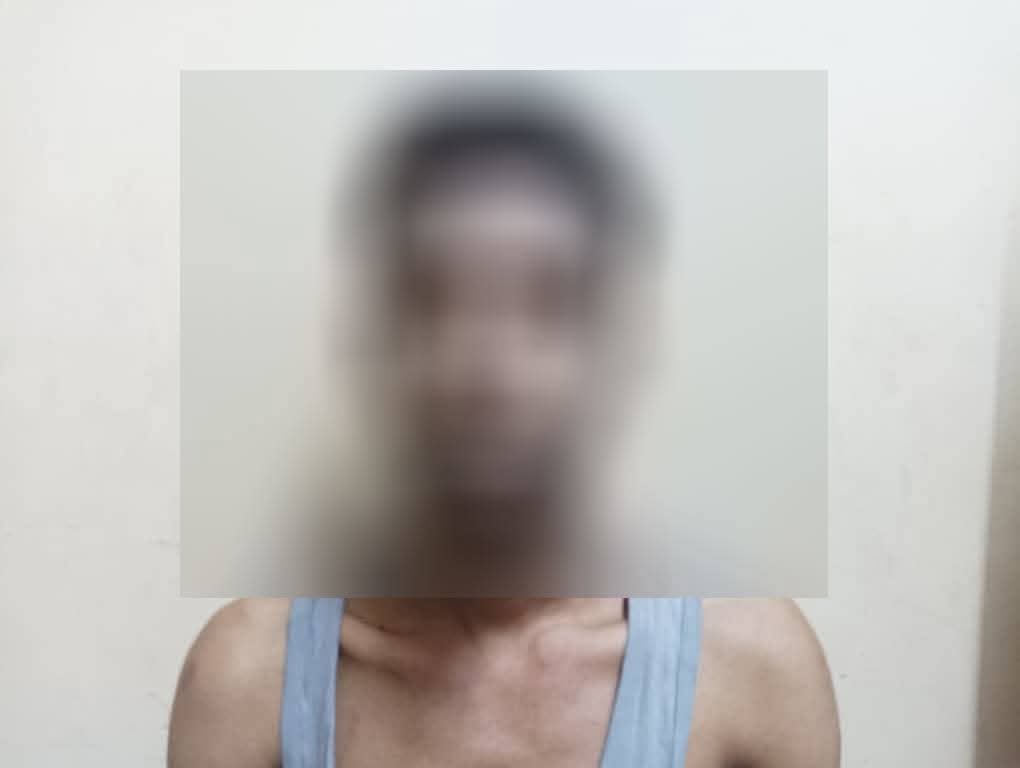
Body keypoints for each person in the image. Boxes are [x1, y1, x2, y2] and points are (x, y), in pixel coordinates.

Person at [169, 83, 839, 767]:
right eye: (436, 299)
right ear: (377, 337)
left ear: (614, 340)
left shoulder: (754, 673)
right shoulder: (244, 680)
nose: (487, 365)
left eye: (544, 302)